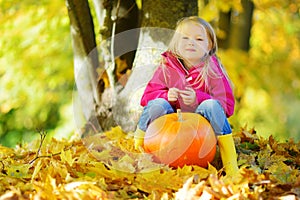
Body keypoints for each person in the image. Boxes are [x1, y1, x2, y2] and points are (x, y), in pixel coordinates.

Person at [133, 16, 238, 175]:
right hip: (170, 127)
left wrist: (199, 98)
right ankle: (138, 150)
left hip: (201, 131)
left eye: (199, 39)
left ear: (209, 46)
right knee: (157, 104)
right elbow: (146, 97)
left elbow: (227, 106)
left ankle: (230, 164)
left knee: (211, 105)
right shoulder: (167, 67)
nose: (191, 42)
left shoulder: (213, 71)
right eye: (185, 38)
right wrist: (167, 95)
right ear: (176, 43)